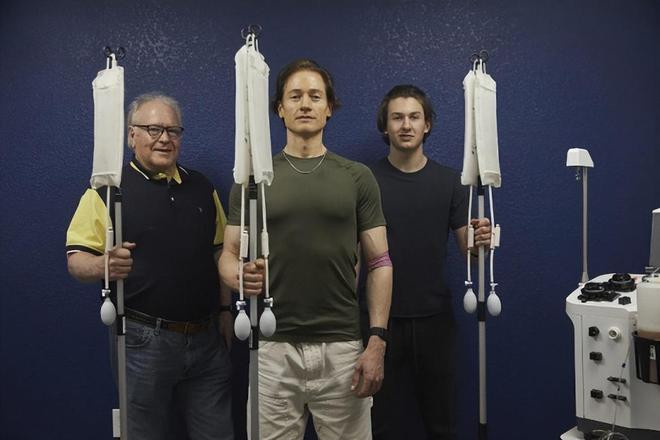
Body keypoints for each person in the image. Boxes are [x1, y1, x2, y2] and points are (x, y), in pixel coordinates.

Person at [218, 59, 393, 440]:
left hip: (343, 347)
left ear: (329, 107)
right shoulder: (252, 181)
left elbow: (380, 262)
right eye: (295, 96)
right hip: (273, 349)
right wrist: (239, 277)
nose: (305, 104)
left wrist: (377, 340)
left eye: (315, 96)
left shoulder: (357, 177)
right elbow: (228, 255)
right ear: (280, 108)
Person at [66, 93, 234, 440]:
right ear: (132, 135)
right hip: (143, 341)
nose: (164, 138)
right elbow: (76, 260)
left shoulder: (202, 187)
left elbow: (219, 254)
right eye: (153, 129)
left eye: (173, 130)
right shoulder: (107, 191)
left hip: (207, 340)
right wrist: (103, 264)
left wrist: (225, 309)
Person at [361, 85, 491, 440]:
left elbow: (470, 255)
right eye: (397, 117)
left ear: (427, 124)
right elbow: (353, 256)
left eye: (414, 117)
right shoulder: (365, 181)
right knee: (378, 425)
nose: (406, 125)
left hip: (435, 321)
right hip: (378, 322)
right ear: (385, 126)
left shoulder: (452, 182)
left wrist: (481, 242)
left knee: (441, 424)